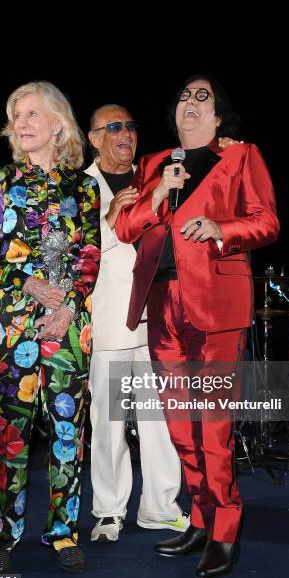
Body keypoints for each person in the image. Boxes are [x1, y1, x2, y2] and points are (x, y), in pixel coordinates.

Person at [115, 74, 279, 578]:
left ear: (218, 115)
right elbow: (125, 229)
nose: (190, 102)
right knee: (181, 426)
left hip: (216, 301)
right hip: (162, 303)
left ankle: (226, 528)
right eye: (184, 96)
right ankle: (202, 517)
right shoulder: (152, 164)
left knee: (212, 425)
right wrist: (160, 188)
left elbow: (267, 221)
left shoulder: (240, 155)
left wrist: (221, 229)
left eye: (202, 96)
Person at [0, 81, 101, 574]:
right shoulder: (1, 179)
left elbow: (89, 255)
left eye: (31, 114)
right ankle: (4, 534)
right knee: (11, 432)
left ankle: (64, 532)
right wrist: (29, 284)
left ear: (58, 124)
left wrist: (68, 304)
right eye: (16, 116)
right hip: (11, 324)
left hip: (70, 323)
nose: (21, 123)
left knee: (68, 430)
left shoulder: (84, 186)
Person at [85, 104, 187, 543]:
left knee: (158, 419)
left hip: (157, 318)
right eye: (113, 126)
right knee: (108, 425)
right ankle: (109, 511)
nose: (124, 132)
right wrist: (110, 224)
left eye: (130, 124)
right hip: (109, 320)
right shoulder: (79, 186)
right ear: (93, 138)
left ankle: (160, 508)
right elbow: (74, 255)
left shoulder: (151, 178)